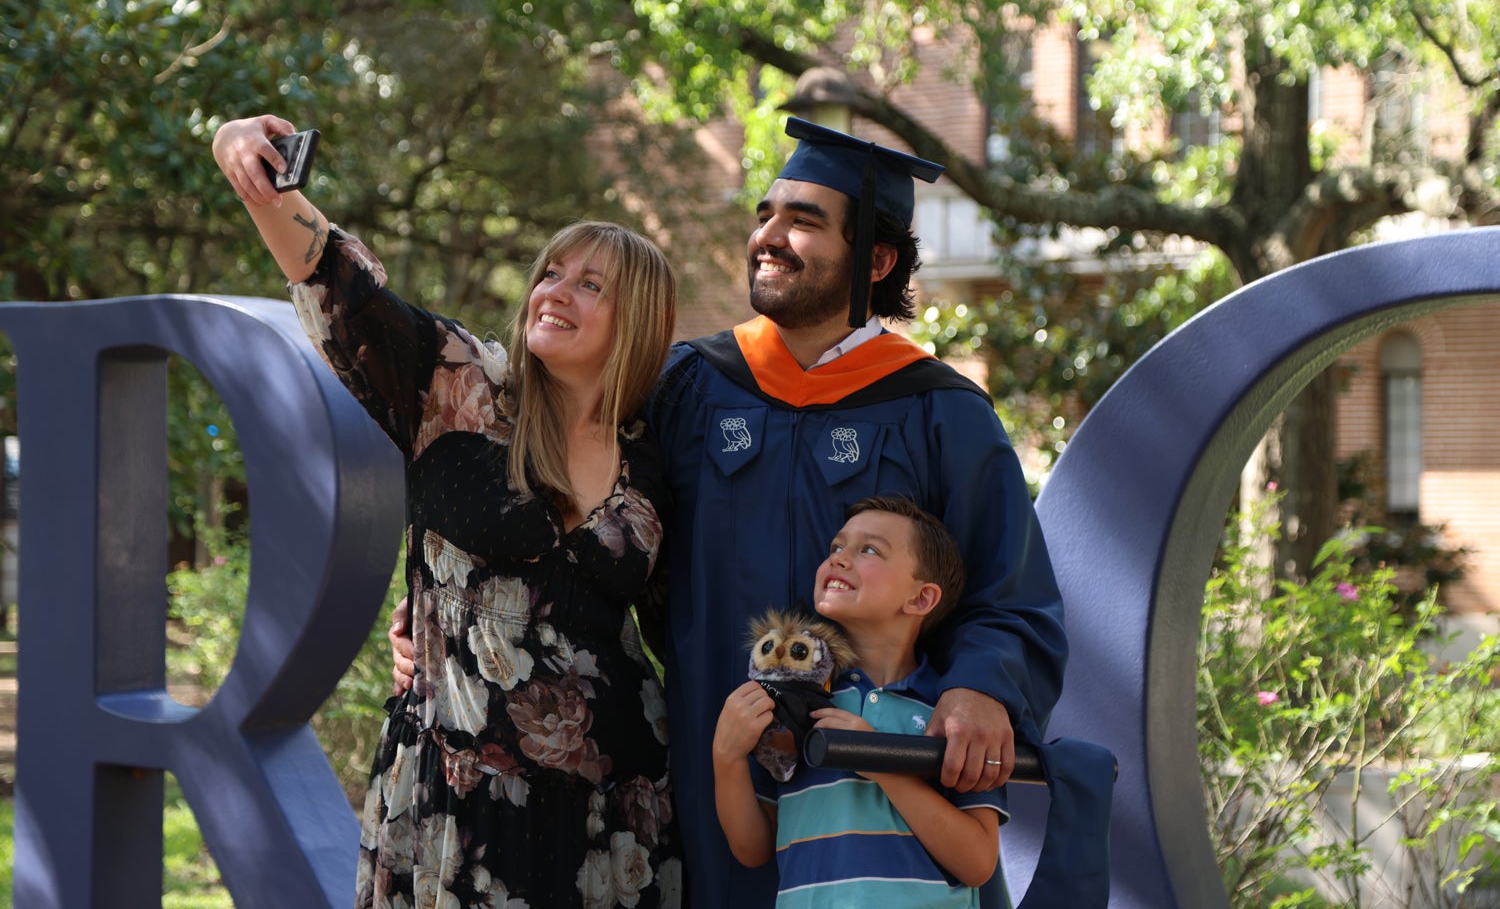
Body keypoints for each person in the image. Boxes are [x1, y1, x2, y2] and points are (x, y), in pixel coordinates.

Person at [395, 116, 1069, 907]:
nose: (770, 237)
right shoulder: (688, 387)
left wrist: (983, 689)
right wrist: (435, 615)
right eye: (766, 216)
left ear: (876, 260)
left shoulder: (941, 415)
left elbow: (1009, 595)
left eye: (804, 222)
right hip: (715, 787)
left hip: (880, 806)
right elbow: (569, 518)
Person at [213, 114, 684, 909]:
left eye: (589, 284)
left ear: (634, 320)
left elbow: (684, 624)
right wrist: (256, 175)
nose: (553, 292)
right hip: (451, 798)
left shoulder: (657, 466)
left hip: (615, 815)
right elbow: (343, 291)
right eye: (551, 272)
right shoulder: (459, 390)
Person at [714, 496, 1002, 907]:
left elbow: (978, 863)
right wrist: (725, 758)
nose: (839, 559)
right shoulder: (794, 704)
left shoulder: (954, 714)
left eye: (869, 549)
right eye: (835, 547)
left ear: (920, 599)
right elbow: (753, 848)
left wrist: (883, 764)